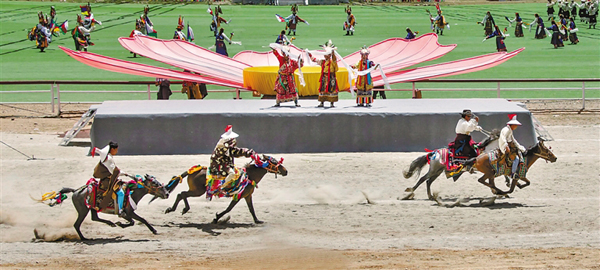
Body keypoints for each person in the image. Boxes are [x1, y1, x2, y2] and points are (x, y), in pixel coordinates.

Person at [208, 125, 257, 196]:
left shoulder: (228, 147)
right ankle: (221, 187)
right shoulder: (221, 146)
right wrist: (227, 147)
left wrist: (248, 152)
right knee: (232, 174)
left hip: (227, 164)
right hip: (219, 165)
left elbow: (236, 151)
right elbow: (219, 157)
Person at [92, 141, 128, 217]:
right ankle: (120, 211)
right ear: (112, 149)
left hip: (108, 178)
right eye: (116, 149)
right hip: (107, 180)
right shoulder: (108, 159)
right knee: (121, 193)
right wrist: (124, 173)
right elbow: (113, 171)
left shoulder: (108, 157)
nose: (117, 151)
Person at [310, 40, 339, 108]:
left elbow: (334, 58)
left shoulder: (332, 62)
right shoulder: (323, 62)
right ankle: (321, 102)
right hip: (324, 77)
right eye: (325, 55)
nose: (325, 56)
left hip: (331, 77)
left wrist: (332, 52)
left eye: (327, 55)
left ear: (329, 55)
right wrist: (309, 54)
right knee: (323, 89)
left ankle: (332, 103)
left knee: (331, 89)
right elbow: (314, 60)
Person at [498, 114, 527, 179]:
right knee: (516, 159)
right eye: (515, 125)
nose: (516, 127)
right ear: (513, 125)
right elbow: (503, 138)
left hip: (510, 146)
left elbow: (514, 140)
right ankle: (512, 173)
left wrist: (521, 148)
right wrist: (506, 146)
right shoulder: (506, 130)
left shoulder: (510, 130)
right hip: (505, 146)